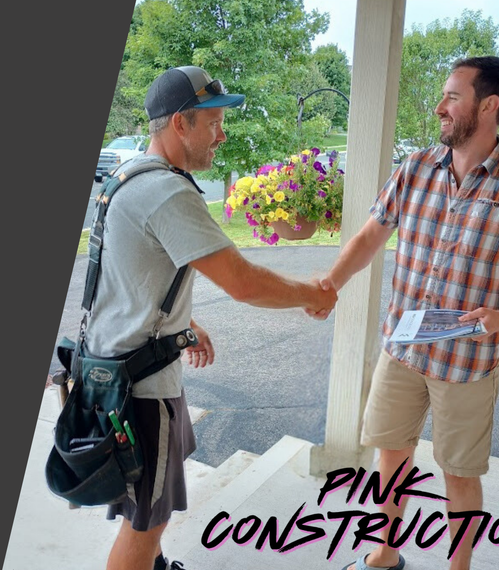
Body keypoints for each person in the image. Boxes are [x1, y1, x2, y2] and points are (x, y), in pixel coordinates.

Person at [311, 56, 499, 570]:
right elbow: (369, 237)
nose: (439, 107)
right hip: (403, 348)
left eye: (452, 96)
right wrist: (330, 283)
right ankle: (384, 553)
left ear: (488, 105)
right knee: (390, 456)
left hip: (468, 361)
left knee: (459, 473)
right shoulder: (415, 169)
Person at [83, 65, 337, 570]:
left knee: (147, 508)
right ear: (181, 123)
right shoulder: (168, 192)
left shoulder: (126, 177)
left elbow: (128, 277)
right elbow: (243, 282)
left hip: (116, 373)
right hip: (142, 393)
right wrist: (310, 292)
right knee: (147, 522)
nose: (221, 135)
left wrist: (182, 326)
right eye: (214, 122)